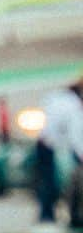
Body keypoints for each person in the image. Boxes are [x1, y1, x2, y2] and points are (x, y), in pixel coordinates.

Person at [33, 76, 83, 224]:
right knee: (59, 182)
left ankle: (46, 214)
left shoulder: (55, 97)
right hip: (54, 145)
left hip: (44, 142)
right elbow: (71, 131)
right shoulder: (73, 104)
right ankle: (58, 214)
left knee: (46, 181)